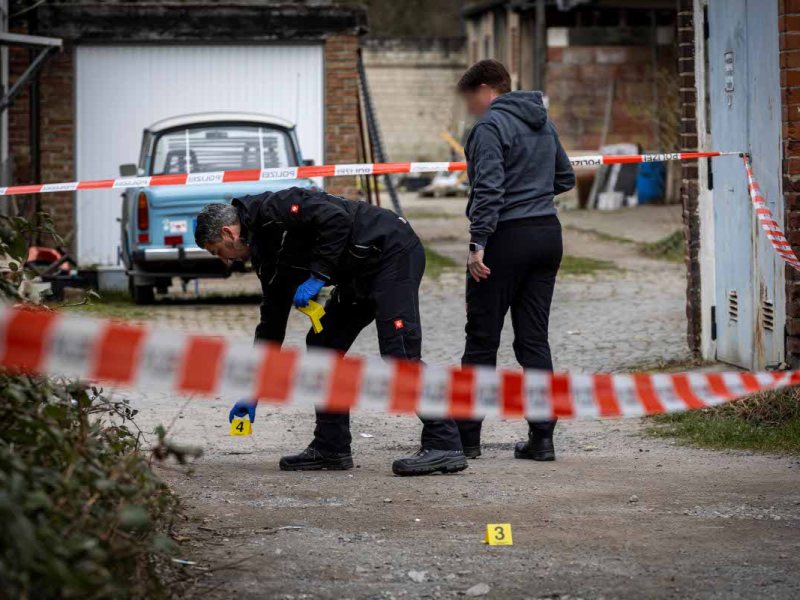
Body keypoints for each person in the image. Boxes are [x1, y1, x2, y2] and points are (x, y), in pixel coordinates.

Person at [194, 187, 467, 476]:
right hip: (358, 271)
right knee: (322, 345)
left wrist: (317, 277)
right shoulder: (265, 257)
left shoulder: (276, 208)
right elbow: (272, 324)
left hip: (390, 251)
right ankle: (331, 447)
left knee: (398, 351)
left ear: (228, 233)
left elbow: (336, 218)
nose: (224, 260)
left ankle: (444, 443)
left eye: (217, 251)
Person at [454, 59, 576, 461]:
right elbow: (565, 177)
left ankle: (468, 438)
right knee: (533, 339)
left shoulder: (489, 126)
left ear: (486, 90)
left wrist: (478, 243)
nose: (470, 108)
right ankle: (543, 439)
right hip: (546, 235)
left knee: (482, 339)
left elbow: (488, 188)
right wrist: (533, 196)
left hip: (505, 239)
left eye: (471, 99)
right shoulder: (542, 121)